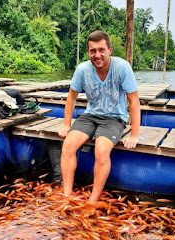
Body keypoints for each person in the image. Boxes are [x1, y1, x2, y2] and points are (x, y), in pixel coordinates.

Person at [58, 30, 140, 203]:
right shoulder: (82, 70)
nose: (97, 55)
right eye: (93, 51)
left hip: (114, 118)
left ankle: (92, 201)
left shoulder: (122, 67)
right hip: (90, 115)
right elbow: (71, 97)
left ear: (110, 50)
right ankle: (66, 195)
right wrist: (66, 124)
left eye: (101, 50)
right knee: (68, 145)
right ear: (88, 52)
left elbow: (134, 101)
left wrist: (134, 134)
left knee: (101, 150)